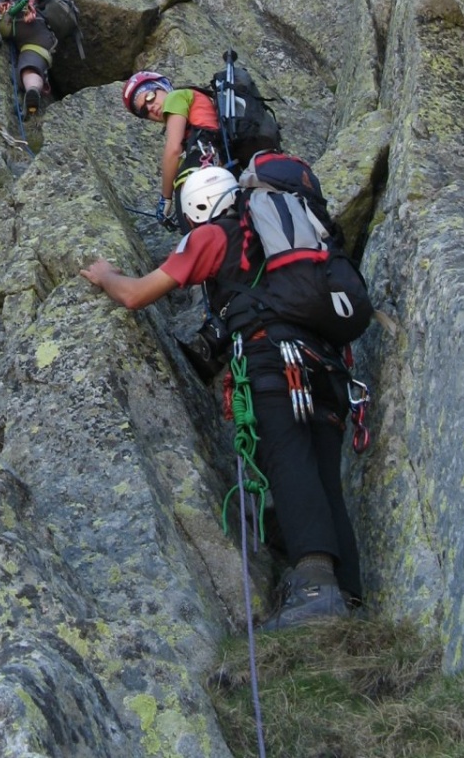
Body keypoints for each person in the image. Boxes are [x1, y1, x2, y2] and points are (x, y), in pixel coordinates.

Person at [80, 164, 360, 629]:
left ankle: (314, 585)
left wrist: (108, 275)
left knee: (289, 458)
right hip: (326, 366)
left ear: (198, 208)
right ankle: (346, 597)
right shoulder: (290, 238)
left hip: (273, 361)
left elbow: (136, 295)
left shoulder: (213, 236)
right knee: (324, 473)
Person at [121, 71, 223, 229]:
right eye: (144, 111)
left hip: (204, 164)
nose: (150, 107)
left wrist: (165, 199)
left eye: (150, 97)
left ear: (163, 87)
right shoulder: (192, 112)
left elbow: (173, 150)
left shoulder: (175, 97)